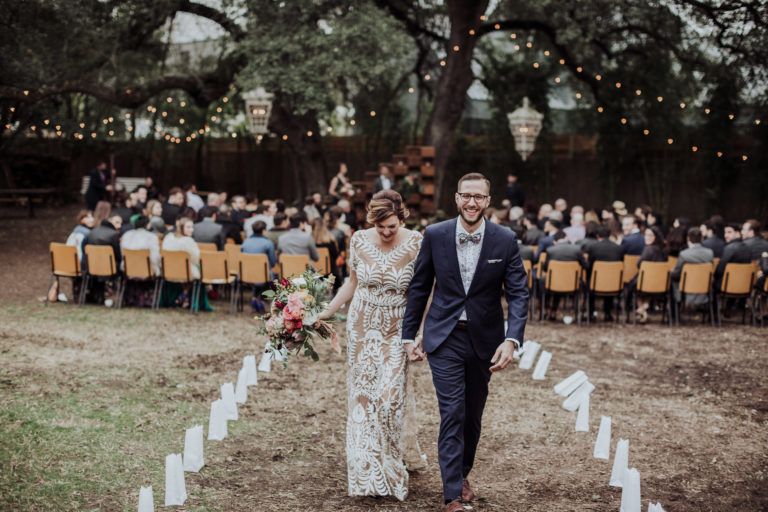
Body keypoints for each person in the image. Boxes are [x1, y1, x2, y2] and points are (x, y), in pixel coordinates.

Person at [401, 173, 528, 511]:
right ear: (456, 198)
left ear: (488, 201)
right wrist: (408, 335)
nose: (472, 202)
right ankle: (452, 494)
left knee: (472, 415)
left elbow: (518, 293)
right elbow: (420, 287)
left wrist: (512, 339)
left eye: (479, 197)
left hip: (486, 340)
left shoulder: (505, 239)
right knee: (453, 412)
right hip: (444, 337)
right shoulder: (436, 234)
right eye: (466, 196)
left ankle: (461, 472)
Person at [318, 189, 423, 501]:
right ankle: (367, 469)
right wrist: (328, 310)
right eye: (381, 227)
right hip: (362, 326)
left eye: (392, 226)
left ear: (401, 219)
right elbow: (352, 282)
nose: (387, 232)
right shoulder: (359, 240)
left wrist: (419, 333)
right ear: (371, 222)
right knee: (364, 399)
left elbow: (423, 292)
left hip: (398, 328)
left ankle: (390, 461)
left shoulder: (417, 242)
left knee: (390, 398)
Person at [541, 231, 587, 321]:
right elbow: (586, 265)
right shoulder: (577, 249)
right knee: (580, 283)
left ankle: (546, 308)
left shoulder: (550, 250)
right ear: (566, 238)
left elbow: (545, 269)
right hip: (572, 282)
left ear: (555, 241)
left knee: (544, 280)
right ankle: (577, 312)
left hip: (554, 282)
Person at [586, 224, 626, 321]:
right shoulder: (619, 248)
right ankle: (608, 313)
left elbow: (589, 266)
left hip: (596, 283)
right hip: (614, 284)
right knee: (610, 278)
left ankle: (591, 313)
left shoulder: (593, 247)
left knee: (590, 280)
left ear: (597, 236)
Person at [162, 217, 200, 308]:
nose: (192, 230)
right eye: (188, 227)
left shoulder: (168, 238)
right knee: (194, 271)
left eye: (192, 227)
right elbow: (196, 258)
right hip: (185, 271)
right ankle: (184, 295)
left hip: (169, 269)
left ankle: (183, 296)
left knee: (188, 271)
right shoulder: (189, 242)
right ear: (182, 227)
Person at [670, 227, 713, 306]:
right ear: (702, 238)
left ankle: (674, 313)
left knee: (672, 280)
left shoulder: (684, 254)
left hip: (687, 288)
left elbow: (677, 274)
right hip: (704, 287)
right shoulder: (709, 253)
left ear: (688, 238)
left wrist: (670, 273)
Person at [633, 226, 667, 323]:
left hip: (645, 283)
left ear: (655, 237)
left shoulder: (648, 249)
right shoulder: (663, 250)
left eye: (650, 235)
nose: (647, 237)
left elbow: (639, 264)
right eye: (646, 235)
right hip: (659, 282)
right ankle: (644, 311)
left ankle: (642, 307)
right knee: (645, 287)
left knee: (637, 287)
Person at [714, 222, 752, 291]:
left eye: (729, 232)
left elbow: (719, 270)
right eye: (725, 232)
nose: (726, 235)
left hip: (728, 286)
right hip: (745, 286)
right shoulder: (748, 247)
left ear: (737, 233)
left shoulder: (729, 248)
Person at [311, 218, 342, 291]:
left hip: (314, 272)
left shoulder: (310, 241)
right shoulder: (330, 241)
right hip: (330, 272)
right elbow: (335, 255)